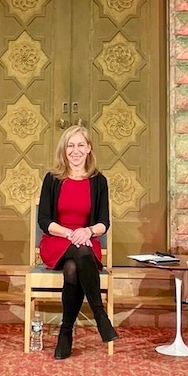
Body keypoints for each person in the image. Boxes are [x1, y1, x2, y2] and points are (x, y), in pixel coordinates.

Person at [36, 125, 119, 359]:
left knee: (74, 267)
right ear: (64, 150)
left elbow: (104, 222)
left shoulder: (99, 181)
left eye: (80, 145)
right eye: (70, 145)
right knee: (79, 253)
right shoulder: (52, 179)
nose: (75, 151)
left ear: (89, 148)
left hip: (85, 240)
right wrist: (69, 233)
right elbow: (44, 220)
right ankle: (100, 316)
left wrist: (89, 231)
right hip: (56, 241)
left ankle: (65, 331)